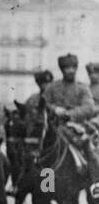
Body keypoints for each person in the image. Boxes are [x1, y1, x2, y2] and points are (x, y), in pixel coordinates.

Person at [42, 53, 99, 183]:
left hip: (76, 126)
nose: (70, 71)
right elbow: (44, 103)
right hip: (54, 126)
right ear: (62, 70)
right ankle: (46, 187)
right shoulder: (52, 87)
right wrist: (55, 109)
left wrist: (69, 114)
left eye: (73, 68)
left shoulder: (82, 88)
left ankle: (95, 186)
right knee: (41, 152)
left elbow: (88, 107)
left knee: (89, 150)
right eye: (67, 68)